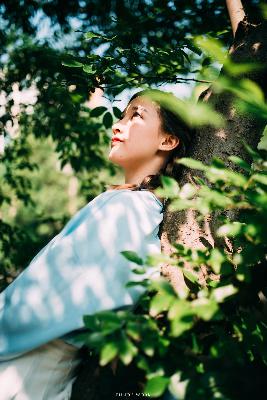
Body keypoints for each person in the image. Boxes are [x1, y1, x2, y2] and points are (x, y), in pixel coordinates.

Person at [0, 89, 192, 399]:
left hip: (24, 367)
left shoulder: (133, 209)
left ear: (168, 141)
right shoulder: (125, 203)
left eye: (136, 116)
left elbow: (69, 298)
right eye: (121, 116)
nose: (118, 125)